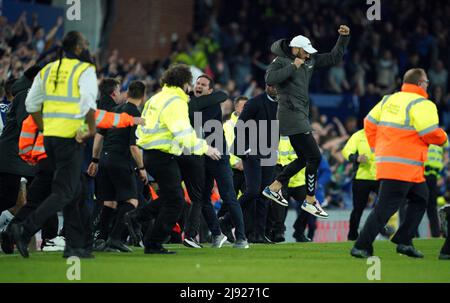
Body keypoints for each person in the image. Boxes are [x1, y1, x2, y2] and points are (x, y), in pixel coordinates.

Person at [1, 106, 143, 254]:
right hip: (65, 159)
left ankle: (12, 231)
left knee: (35, 202)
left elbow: (28, 125)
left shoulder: (47, 105)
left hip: (44, 158)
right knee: (76, 201)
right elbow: (100, 118)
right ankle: (79, 243)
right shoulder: (73, 103)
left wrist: (27, 154)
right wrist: (130, 119)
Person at [10, 31, 99, 259]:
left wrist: (44, 127)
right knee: (65, 192)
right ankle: (24, 229)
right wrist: (89, 128)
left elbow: (32, 104)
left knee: (75, 191)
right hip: (71, 138)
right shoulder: (85, 70)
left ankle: (74, 246)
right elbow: (89, 102)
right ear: (79, 48)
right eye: (86, 43)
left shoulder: (47, 69)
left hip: (50, 138)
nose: (88, 47)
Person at [351, 68, 448, 258]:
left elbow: (368, 122)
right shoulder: (423, 104)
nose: (428, 85)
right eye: (426, 82)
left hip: (398, 165)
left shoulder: (389, 99)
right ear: (420, 83)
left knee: (421, 198)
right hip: (404, 166)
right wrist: (444, 137)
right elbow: (429, 132)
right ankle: (361, 245)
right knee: (385, 208)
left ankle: (404, 241)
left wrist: (376, 148)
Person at [263, 25, 351, 219]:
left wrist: (343, 38)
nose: (309, 55)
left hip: (300, 115)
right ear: (296, 49)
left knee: (305, 158)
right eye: (306, 52)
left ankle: (275, 187)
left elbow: (334, 57)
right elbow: (269, 78)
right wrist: (292, 66)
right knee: (315, 157)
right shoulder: (281, 61)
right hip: (290, 115)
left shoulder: (309, 60)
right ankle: (310, 200)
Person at [135, 64, 221, 254]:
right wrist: (205, 148)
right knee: (176, 202)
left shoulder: (156, 98)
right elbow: (184, 134)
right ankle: (153, 242)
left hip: (150, 153)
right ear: (184, 83)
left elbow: (141, 126)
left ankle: (136, 218)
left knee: (170, 198)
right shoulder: (176, 102)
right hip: (162, 155)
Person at [184, 75, 248, 249]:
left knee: (229, 197)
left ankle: (242, 238)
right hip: (201, 157)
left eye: (203, 85)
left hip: (219, 157)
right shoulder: (194, 102)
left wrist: (188, 101)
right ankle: (217, 234)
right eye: (197, 83)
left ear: (210, 90)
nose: (199, 86)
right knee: (203, 198)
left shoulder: (211, 104)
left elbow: (201, 118)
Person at [87, 81, 147, 253]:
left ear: (127, 93)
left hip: (104, 160)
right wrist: (141, 168)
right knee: (131, 202)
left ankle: (100, 239)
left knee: (110, 202)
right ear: (143, 96)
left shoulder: (113, 111)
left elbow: (99, 137)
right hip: (120, 161)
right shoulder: (135, 115)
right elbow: (133, 146)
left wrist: (95, 160)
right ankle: (114, 238)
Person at [226, 84, 279, 243]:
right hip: (252, 152)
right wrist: (247, 149)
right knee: (253, 191)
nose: (276, 88)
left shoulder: (280, 103)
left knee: (264, 194)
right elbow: (239, 127)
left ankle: (259, 234)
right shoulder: (255, 102)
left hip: (268, 152)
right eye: (273, 85)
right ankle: (226, 221)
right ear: (267, 85)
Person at [341, 129, 379, 240]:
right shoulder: (358, 135)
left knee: (384, 206)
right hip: (361, 177)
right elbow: (346, 151)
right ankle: (352, 236)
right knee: (358, 209)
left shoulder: (385, 132)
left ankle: (381, 228)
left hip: (380, 176)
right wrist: (356, 158)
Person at [424, 144, 444, 237]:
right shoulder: (438, 144)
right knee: (431, 208)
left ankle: (435, 234)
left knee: (419, 205)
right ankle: (435, 234)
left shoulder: (426, 140)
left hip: (425, 177)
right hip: (430, 177)